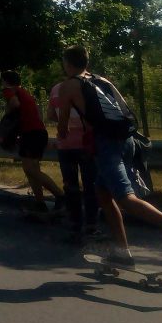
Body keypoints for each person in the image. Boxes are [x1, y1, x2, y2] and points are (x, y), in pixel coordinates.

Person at [57, 45, 162, 267]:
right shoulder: (103, 81)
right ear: (86, 61)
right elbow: (125, 109)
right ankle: (122, 252)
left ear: (67, 63)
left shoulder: (69, 86)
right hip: (127, 140)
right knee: (102, 193)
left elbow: (62, 125)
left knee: (124, 196)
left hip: (105, 143)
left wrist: (65, 132)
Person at [1, 70, 65, 212]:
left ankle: (60, 195)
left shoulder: (9, 90)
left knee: (30, 169)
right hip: (38, 132)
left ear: (6, 81)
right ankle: (40, 203)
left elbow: (14, 104)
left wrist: (7, 117)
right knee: (32, 169)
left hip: (31, 133)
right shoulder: (23, 91)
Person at [48, 76, 99, 242]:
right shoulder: (87, 88)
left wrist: (66, 120)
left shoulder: (56, 89)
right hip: (86, 143)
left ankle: (75, 224)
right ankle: (91, 225)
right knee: (90, 185)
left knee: (71, 185)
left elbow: (51, 115)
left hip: (65, 144)